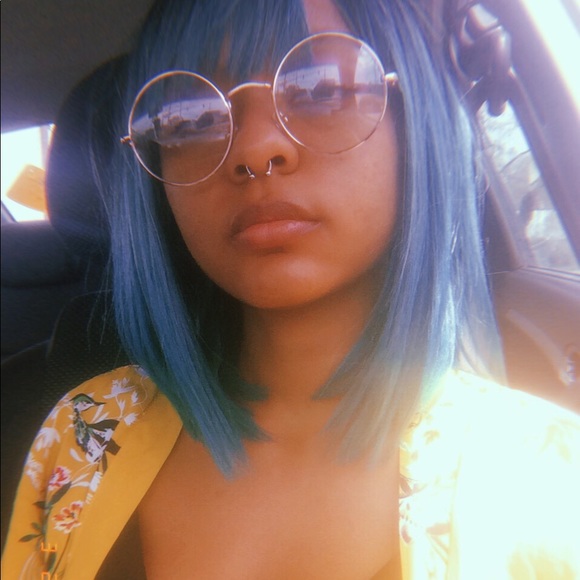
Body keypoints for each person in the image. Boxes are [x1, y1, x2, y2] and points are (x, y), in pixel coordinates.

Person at [3, 0, 579, 578]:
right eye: (191, 116)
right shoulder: (83, 433)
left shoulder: (548, 487)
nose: (254, 149)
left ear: (416, 116)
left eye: (321, 88)